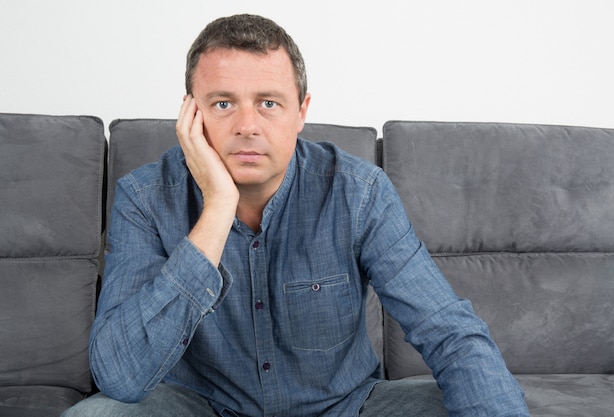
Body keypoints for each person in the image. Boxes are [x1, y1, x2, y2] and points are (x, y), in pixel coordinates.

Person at [62, 14, 529, 417]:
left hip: (343, 408)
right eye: (223, 104)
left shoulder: (358, 192)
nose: (247, 126)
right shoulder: (145, 197)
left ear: (301, 111)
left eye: (269, 103)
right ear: (191, 114)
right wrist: (218, 208)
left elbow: (449, 333)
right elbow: (120, 378)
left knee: (468, 400)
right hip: (201, 407)